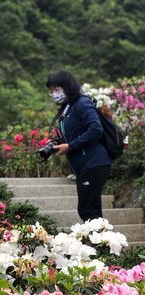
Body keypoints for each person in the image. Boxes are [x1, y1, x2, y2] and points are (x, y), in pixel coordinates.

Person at [46, 69, 112, 221]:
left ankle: (101, 242)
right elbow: (74, 134)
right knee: (90, 211)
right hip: (86, 165)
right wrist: (57, 143)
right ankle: (101, 242)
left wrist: (70, 146)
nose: (54, 94)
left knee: (88, 211)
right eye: (51, 91)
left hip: (94, 163)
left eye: (57, 89)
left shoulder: (82, 103)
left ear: (68, 87)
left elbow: (96, 129)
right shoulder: (67, 108)